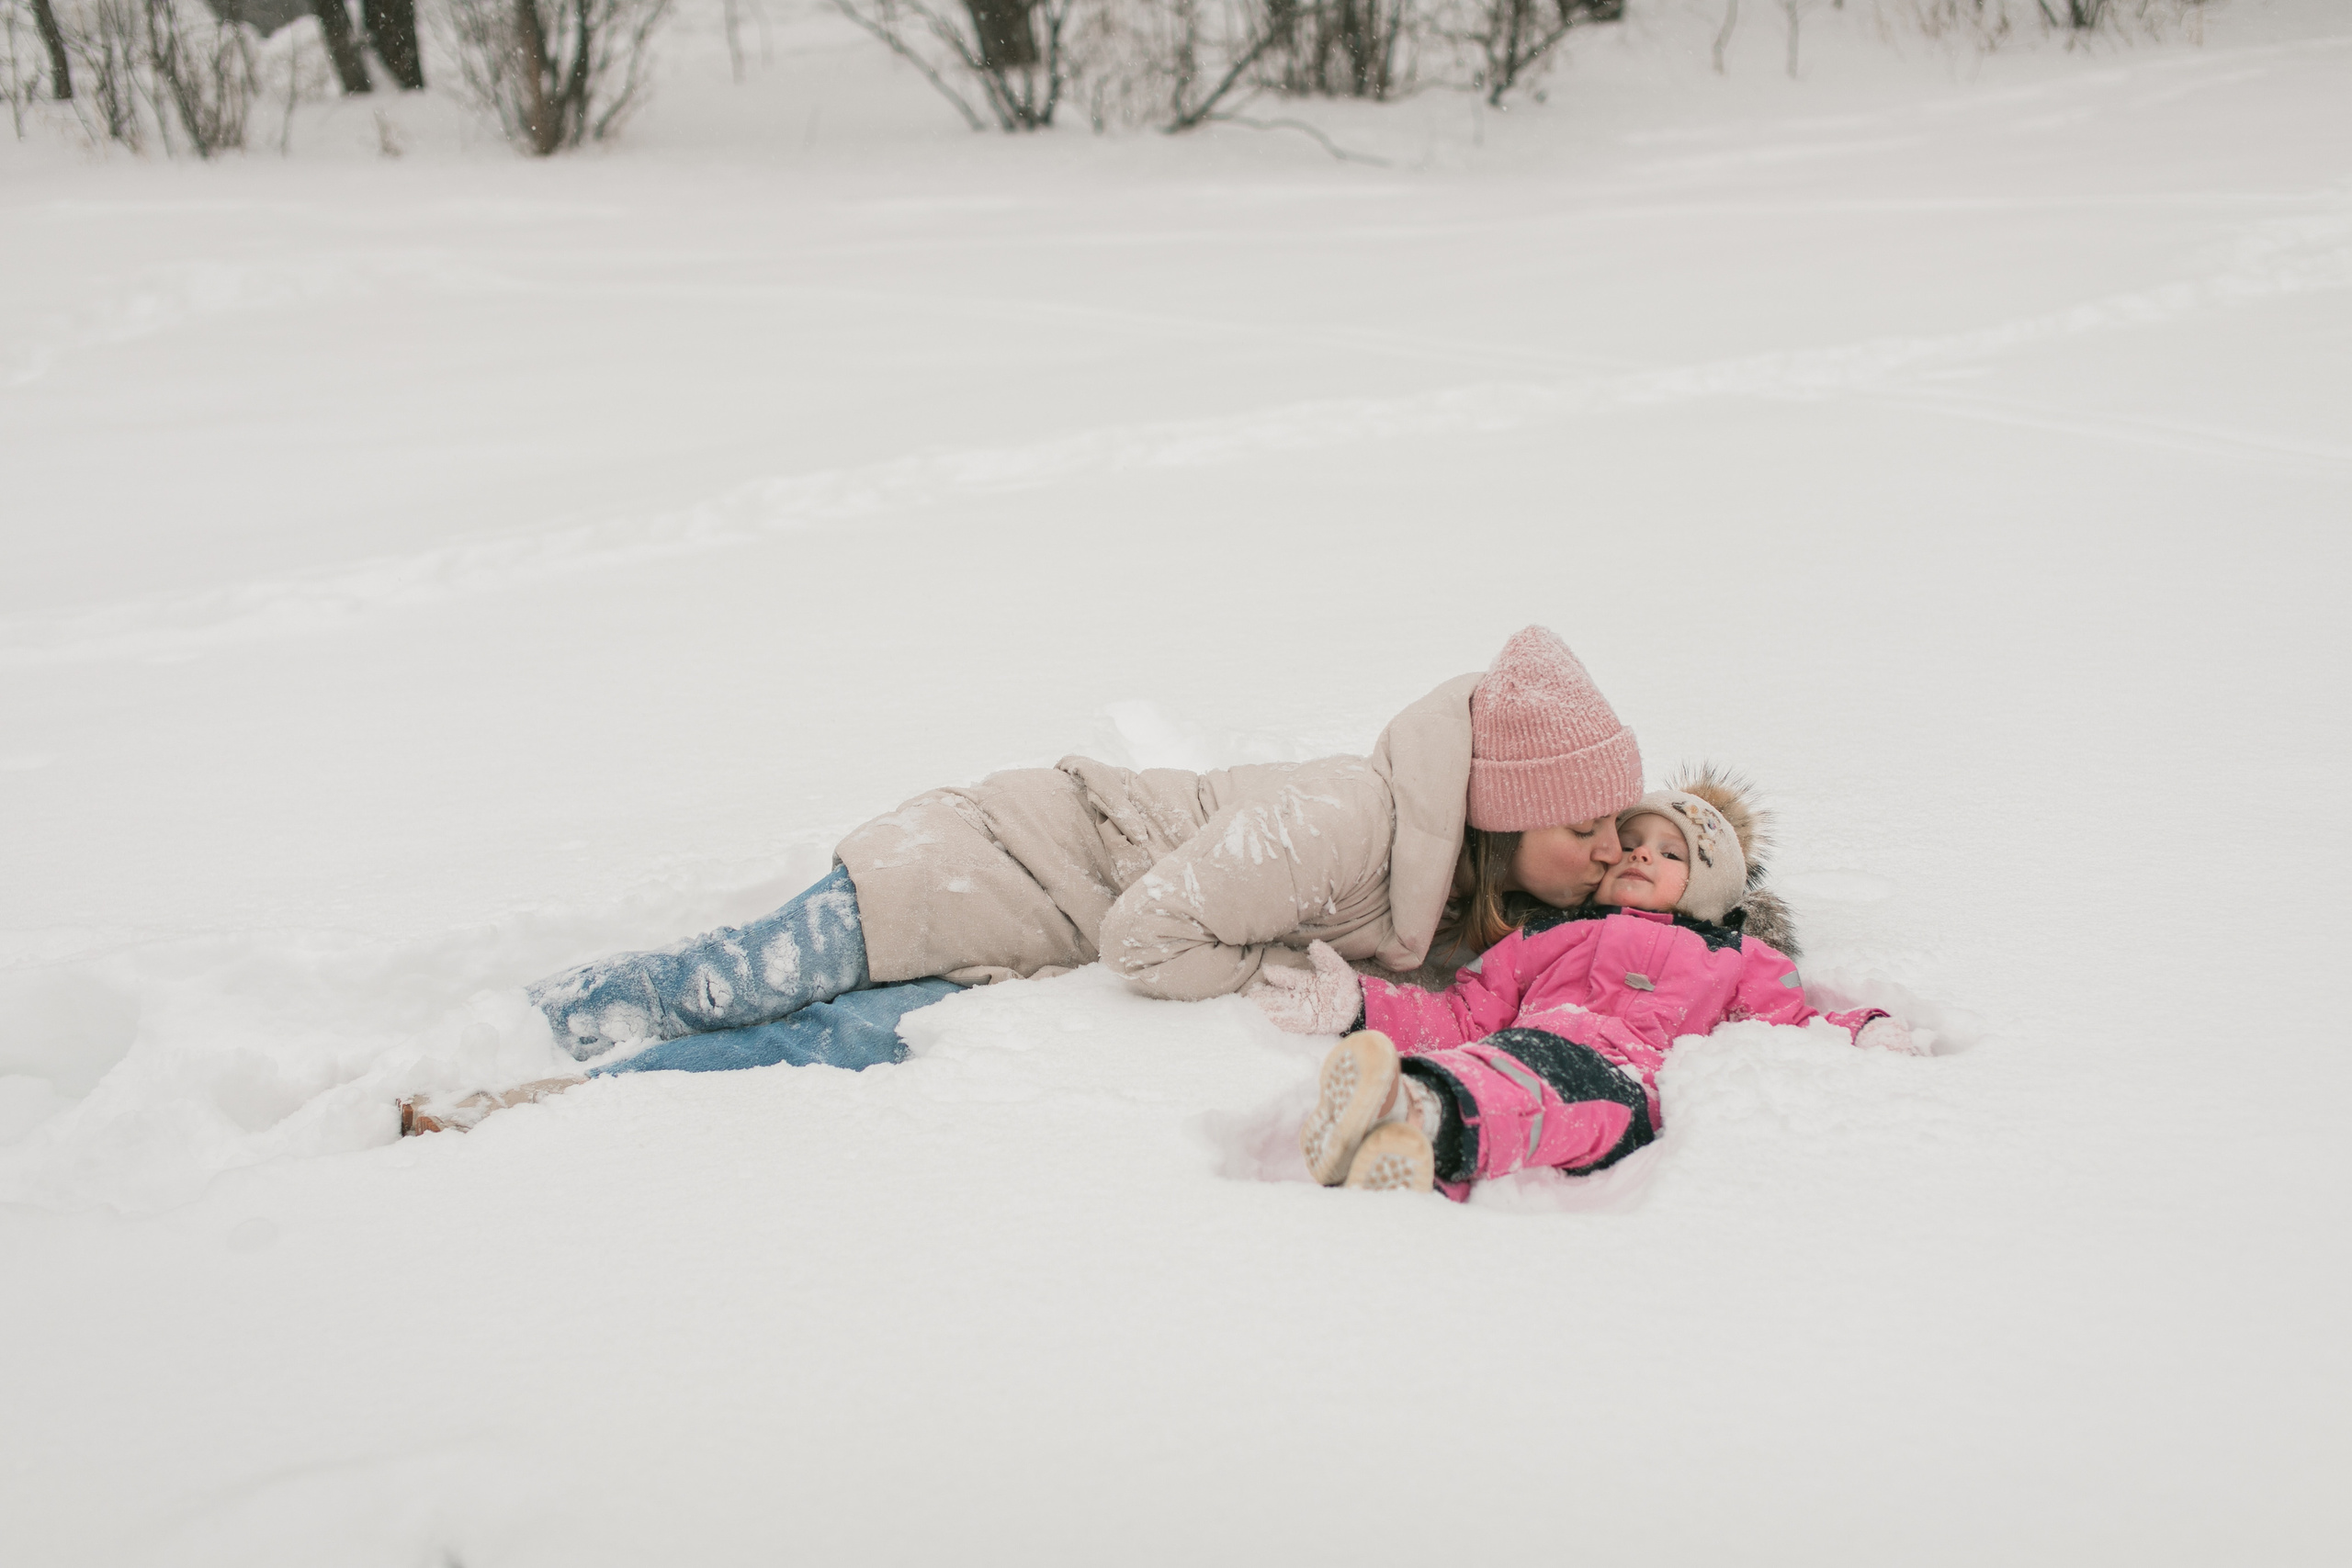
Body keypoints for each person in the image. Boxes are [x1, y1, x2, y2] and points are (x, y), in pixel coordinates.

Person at [401, 626, 1694, 1133]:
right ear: (1503, 808)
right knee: (732, 982)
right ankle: (520, 1028)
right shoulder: (1353, 816)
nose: (1601, 848)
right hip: (989, 860)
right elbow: (1148, 934)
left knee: (803, 1050)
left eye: (1611, 829)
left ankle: (517, 1112)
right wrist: (1277, 970)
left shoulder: (1474, 899)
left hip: (1027, 960)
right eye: (1583, 822)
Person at [1272, 778, 1919, 1197]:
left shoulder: (1737, 956)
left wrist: (1864, 1028)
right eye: (1632, 842)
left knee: (1543, 1096)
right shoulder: (1547, 935)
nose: (1641, 855)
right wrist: (1361, 1004)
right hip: (1522, 1044)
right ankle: (1402, 1148)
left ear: (1711, 889)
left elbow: (1791, 1027)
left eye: (1672, 853)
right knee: (1498, 1071)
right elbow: (1464, 1014)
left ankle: (1413, 1109)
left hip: (1623, 1082)